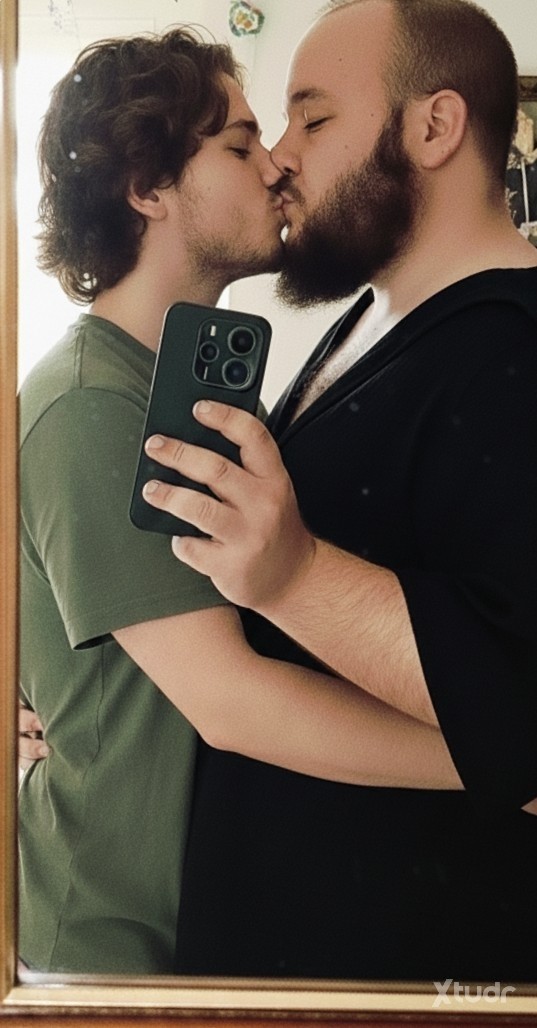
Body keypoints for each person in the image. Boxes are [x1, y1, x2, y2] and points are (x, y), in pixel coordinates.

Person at [19, 22, 460, 976]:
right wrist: (495, 760)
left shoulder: (201, 394)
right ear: (148, 189)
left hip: (222, 919)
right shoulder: (91, 404)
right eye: (238, 142)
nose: (274, 166)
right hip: (118, 946)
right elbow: (231, 702)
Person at [141, 0, 537, 982]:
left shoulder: (517, 346)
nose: (279, 158)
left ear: (434, 127)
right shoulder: (365, 321)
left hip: (408, 977)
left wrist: (297, 578)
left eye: (312, 120)